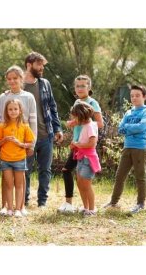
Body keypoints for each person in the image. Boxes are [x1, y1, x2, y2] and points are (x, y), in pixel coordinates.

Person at [103, 84, 146, 214]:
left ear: (144, 97)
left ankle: (141, 204)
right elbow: (120, 128)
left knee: (140, 177)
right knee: (120, 176)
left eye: (137, 95)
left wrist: (128, 128)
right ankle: (113, 202)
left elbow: (141, 127)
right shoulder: (129, 112)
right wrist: (132, 127)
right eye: (132, 96)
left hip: (141, 148)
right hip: (127, 147)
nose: (134, 98)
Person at [0, 65, 37, 215]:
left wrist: (31, 145)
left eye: (15, 78)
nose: (12, 81)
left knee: (22, 177)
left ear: (21, 79)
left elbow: (33, 122)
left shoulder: (28, 97)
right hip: (5, 146)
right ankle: (6, 206)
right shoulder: (3, 97)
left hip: (23, 143)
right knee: (6, 179)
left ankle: (21, 206)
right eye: (9, 79)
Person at [58, 75, 104, 213]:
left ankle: (84, 206)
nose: (80, 88)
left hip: (85, 146)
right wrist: (72, 124)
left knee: (74, 174)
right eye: (77, 86)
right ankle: (76, 204)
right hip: (77, 145)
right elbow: (78, 121)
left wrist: (78, 122)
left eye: (83, 86)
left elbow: (100, 124)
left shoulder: (92, 102)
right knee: (73, 174)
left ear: (89, 87)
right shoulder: (77, 102)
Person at [23, 51, 63, 208]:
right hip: (26, 137)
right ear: (29, 65)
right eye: (39, 65)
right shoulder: (20, 85)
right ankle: (24, 200)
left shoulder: (45, 83)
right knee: (24, 170)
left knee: (45, 170)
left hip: (46, 134)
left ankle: (42, 202)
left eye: (42, 66)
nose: (41, 68)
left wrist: (58, 127)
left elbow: (52, 107)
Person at [69, 101, 101, 216]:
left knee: (86, 185)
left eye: (75, 117)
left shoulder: (91, 126)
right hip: (81, 156)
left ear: (81, 116)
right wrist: (76, 145)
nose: (74, 120)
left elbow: (92, 143)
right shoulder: (84, 125)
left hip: (88, 159)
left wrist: (78, 144)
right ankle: (85, 207)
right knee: (80, 183)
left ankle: (92, 209)